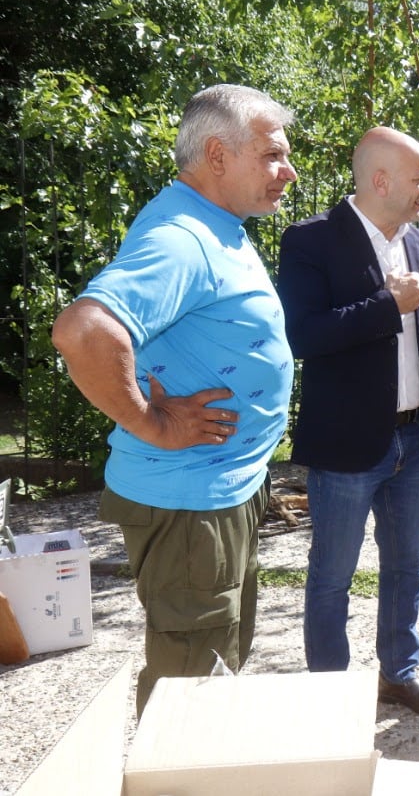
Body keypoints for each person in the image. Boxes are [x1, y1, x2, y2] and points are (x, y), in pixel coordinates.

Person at [50, 84, 298, 716]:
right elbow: (83, 331)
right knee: (191, 693)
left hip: (219, 489)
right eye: (272, 156)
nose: (287, 173)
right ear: (217, 155)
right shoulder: (183, 237)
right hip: (190, 500)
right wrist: (151, 422)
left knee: (216, 665)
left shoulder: (214, 225)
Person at [276, 126, 419, 719]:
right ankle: (330, 694)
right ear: (381, 181)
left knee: (406, 567)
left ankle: (398, 676)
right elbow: (302, 335)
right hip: (348, 444)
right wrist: (385, 305)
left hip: (414, 440)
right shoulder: (310, 241)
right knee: (333, 575)